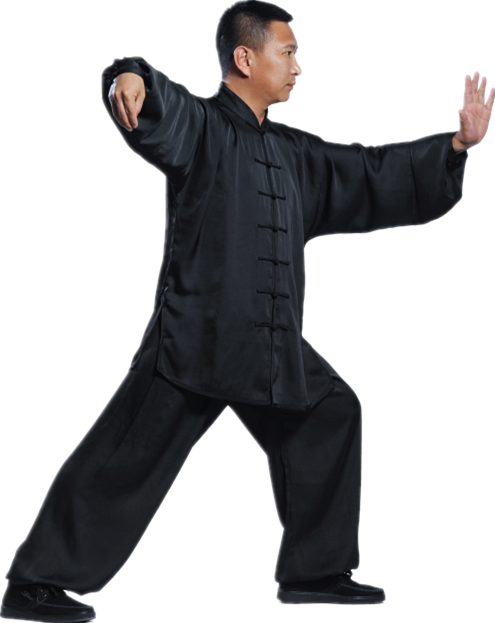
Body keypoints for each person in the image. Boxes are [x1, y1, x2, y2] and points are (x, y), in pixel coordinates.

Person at [2, 1, 492, 621]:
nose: (297, 67)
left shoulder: (294, 154)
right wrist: (128, 74)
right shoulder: (201, 128)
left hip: (271, 346)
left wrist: (454, 145)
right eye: (287, 53)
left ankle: (315, 571)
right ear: (245, 57)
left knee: (330, 411)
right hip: (194, 338)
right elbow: (157, 103)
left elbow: (369, 172)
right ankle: (34, 583)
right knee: (124, 457)